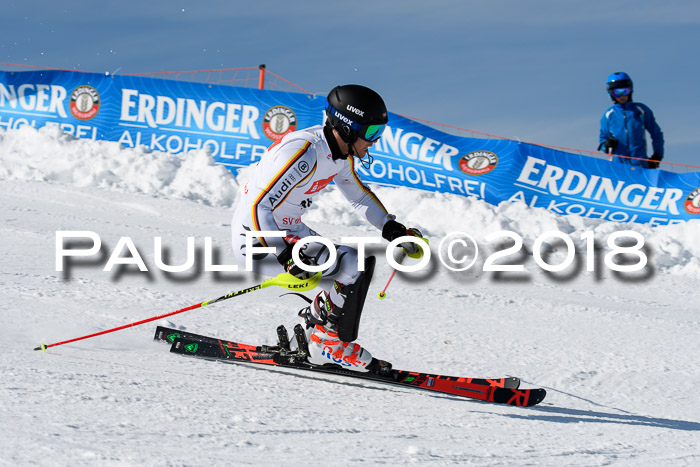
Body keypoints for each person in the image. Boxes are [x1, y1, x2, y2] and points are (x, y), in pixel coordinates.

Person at [231, 84, 422, 375]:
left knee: (354, 267)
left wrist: (391, 227)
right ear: (347, 127)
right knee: (352, 267)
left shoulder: (339, 156)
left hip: (289, 231)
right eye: (371, 133)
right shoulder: (303, 153)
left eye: (379, 134)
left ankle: (320, 330)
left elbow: (358, 196)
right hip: (257, 237)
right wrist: (285, 256)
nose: (374, 142)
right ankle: (330, 342)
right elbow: (258, 208)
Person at [599, 72, 664, 169]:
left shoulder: (641, 110)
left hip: (640, 166)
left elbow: (656, 134)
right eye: (617, 92)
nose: (621, 96)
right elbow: (603, 139)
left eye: (625, 91)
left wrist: (657, 155)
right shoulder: (609, 115)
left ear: (630, 90)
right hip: (618, 167)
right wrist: (607, 145)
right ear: (611, 94)